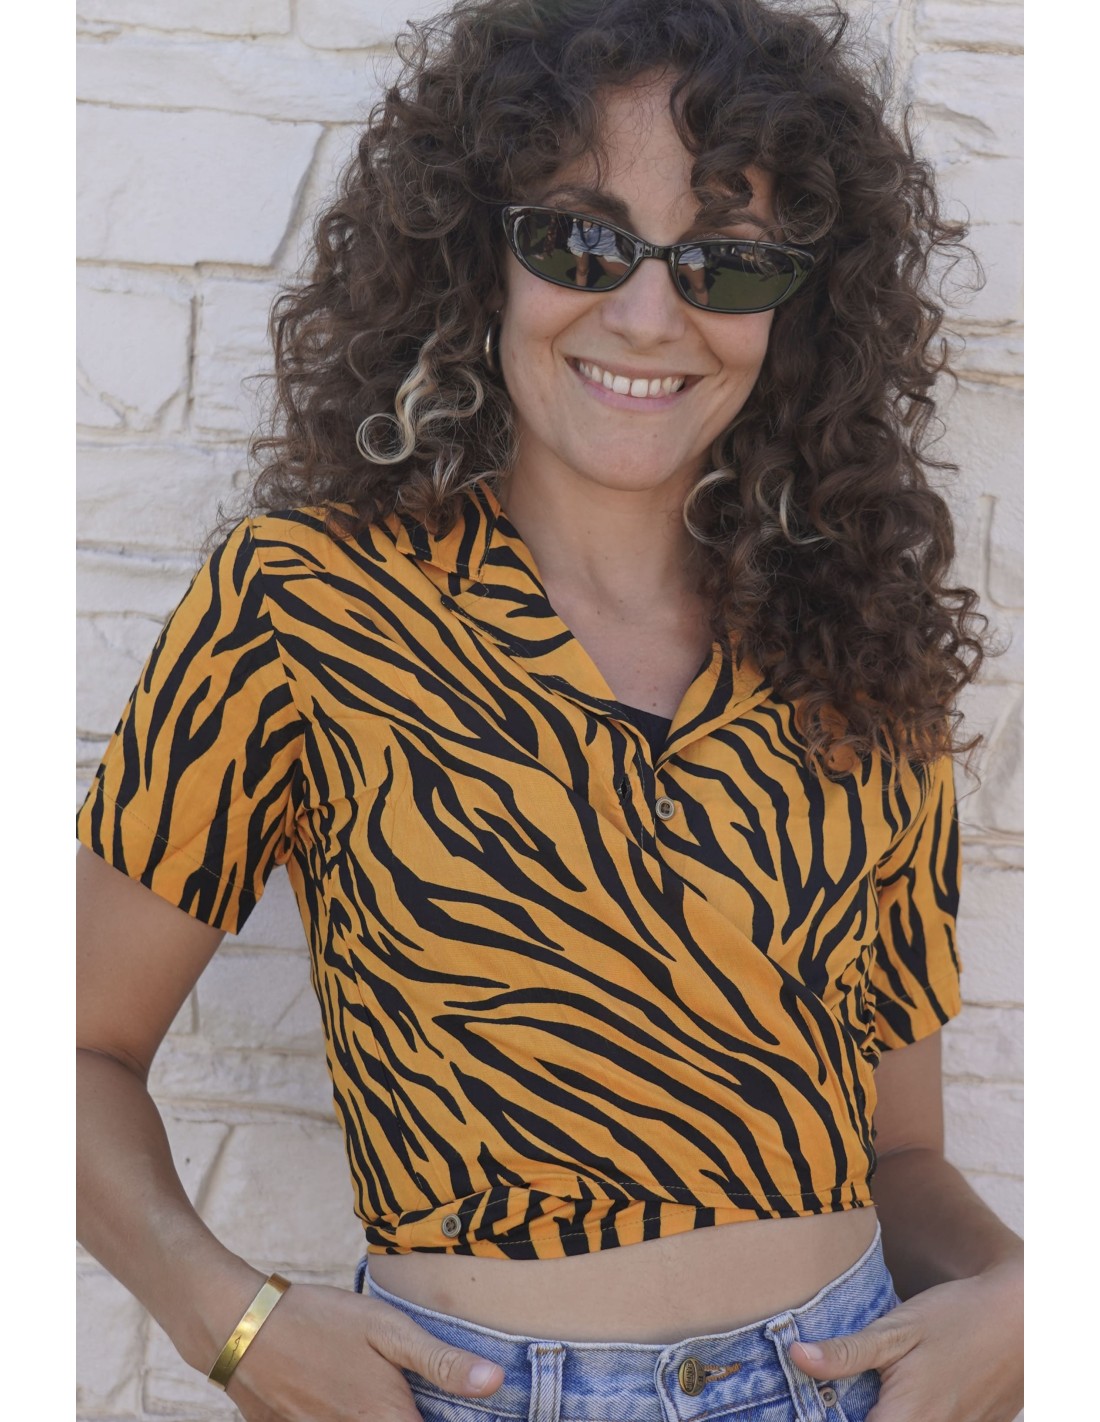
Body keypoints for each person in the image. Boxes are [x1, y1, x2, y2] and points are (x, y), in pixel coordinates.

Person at [75, 2, 1024, 1420]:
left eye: (725, 260)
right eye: (581, 241)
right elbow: (67, 1045)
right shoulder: (307, 606)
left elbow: (898, 1158)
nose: (647, 314)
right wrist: (236, 1325)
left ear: (797, 303)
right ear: (479, 253)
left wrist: (1024, 1303)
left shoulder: (854, 649)